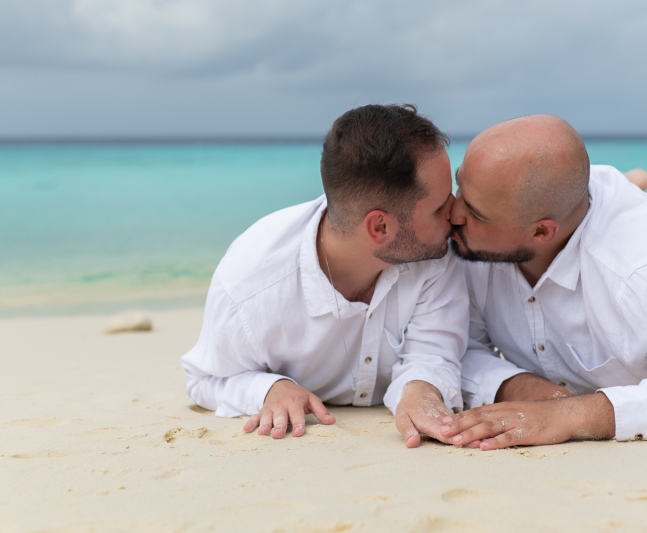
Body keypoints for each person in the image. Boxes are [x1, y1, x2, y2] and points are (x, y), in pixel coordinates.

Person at [441, 114, 647, 450]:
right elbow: (452, 345)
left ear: (541, 231)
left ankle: (630, 189)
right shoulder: (476, 236)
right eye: (460, 185)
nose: (452, 214)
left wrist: (568, 415)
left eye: (474, 212)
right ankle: (629, 183)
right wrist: (517, 385)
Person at [180, 104, 466, 448]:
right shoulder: (250, 286)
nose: (457, 211)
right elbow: (202, 379)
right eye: (439, 207)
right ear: (381, 226)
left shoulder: (432, 252)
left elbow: (433, 353)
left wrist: (421, 388)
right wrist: (269, 388)